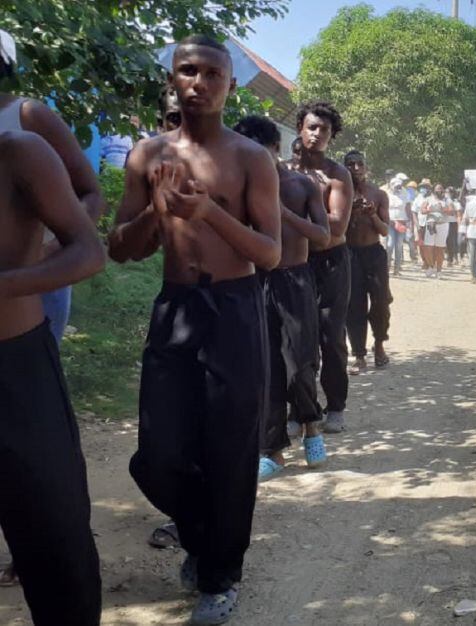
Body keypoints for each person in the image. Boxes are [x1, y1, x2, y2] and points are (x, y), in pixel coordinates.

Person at [108, 35, 283, 624]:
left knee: (230, 451)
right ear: (173, 80)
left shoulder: (250, 159)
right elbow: (119, 249)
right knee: (157, 456)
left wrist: (209, 213)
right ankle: (204, 537)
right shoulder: (146, 155)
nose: (199, 83)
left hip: (235, 309)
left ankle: (219, 576)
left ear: (230, 86)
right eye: (188, 71)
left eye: (212, 74)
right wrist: (157, 214)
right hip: (176, 307)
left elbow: (271, 252)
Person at [0, 91, 106, 626]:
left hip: (15, 371)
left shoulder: (19, 151)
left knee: (54, 538)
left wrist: (9, 282)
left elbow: (89, 250)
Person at [233, 115, 330, 481]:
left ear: (274, 148)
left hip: (295, 280)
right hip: (255, 281)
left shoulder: (301, 185)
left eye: (259, 150)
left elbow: (322, 236)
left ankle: (311, 425)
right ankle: (272, 449)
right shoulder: (238, 187)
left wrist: (284, 214)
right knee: (266, 367)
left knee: (300, 362)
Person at [0, 31, 105, 346]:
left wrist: (49, 251)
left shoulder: (25, 116)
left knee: (34, 360)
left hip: (45, 276)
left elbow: (92, 193)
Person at [293, 101, 353, 434]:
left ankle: (336, 406)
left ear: (332, 136)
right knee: (295, 338)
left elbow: (335, 230)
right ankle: (300, 408)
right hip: (294, 263)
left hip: (330, 264)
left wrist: (296, 225)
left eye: (324, 130)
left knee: (330, 336)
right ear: (300, 128)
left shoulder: (337, 175)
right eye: (311, 127)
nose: (316, 134)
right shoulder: (284, 171)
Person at [343, 151, 391, 371]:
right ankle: (359, 355)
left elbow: (385, 231)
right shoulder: (340, 193)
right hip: (350, 254)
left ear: (366, 167)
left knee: (381, 302)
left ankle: (379, 344)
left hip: (374, 254)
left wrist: (372, 214)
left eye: (359, 164)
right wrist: (350, 212)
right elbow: (335, 229)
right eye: (350, 164)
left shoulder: (379, 194)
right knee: (355, 305)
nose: (355, 168)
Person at [384, 174, 410, 275]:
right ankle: (387, 267)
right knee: (390, 245)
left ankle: (397, 269)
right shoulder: (387, 194)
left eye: (399, 185)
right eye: (396, 186)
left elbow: (408, 208)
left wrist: (409, 222)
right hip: (390, 222)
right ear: (391, 185)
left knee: (399, 246)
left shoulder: (404, 193)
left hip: (402, 221)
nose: (398, 187)